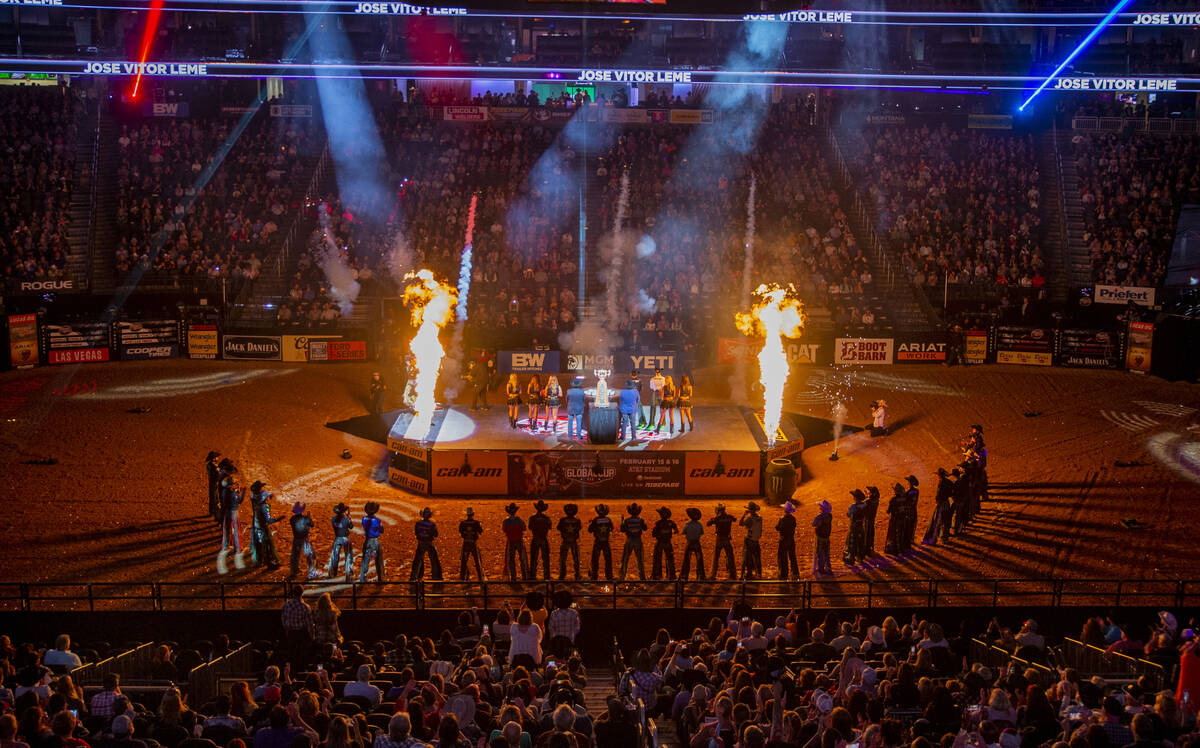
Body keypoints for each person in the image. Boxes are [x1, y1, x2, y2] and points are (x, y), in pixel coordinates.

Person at [250, 481, 282, 570]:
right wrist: (278, 519)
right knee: (268, 545)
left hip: (256, 525)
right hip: (263, 526)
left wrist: (267, 498)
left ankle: (260, 560)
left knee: (259, 544)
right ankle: (271, 562)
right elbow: (269, 519)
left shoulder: (253, 498)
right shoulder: (264, 507)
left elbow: (260, 498)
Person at [281, 586, 313, 666]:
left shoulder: (287, 605)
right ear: (302, 593)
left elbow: (283, 618)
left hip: (291, 632)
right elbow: (309, 624)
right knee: (302, 653)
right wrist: (312, 636)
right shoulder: (305, 607)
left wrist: (287, 630)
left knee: (291, 653)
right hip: (301, 633)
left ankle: (292, 668)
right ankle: (301, 667)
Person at [409, 507, 442, 581]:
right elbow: (436, 534)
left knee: (417, 560)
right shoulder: (432, 524)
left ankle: (415, 576)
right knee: (434, 560)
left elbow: (416, 533)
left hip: (421, 543)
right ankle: (436, 577)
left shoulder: (418, 524)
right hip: (429, 542)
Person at [289, 502, 318, 580]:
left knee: (295, 556)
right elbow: (312, 524)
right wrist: (309, 518)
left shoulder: (292, 519)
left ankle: (294, 571)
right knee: (309, 555)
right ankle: (312, 572)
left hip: (296, 539)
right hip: (304, 539)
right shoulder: (305, 518)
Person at [924, 469, 953, 545]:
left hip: (941, 504)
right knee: (946, 521)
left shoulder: (941, 483)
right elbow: (951, 493)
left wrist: (938, 501)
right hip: (947, 503)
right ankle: (944, 538)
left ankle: (933, 540)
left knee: (937, 522)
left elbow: (938, 494)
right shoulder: (949, 482)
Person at [220, 467, 246, 554]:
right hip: (234, 512)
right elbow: (239, 501)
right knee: (236, 530)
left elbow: (223, 501)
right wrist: (241, 492)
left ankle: (226, 546)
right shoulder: (233, 493)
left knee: (227, 529)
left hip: (227, 512)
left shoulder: (224, 491)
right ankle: (238, 548)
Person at [618, 503, 647, 580]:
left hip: (629, 539)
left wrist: (622, 522)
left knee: (625, 559)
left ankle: (622, 577)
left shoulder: (627, 521)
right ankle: (642, 577)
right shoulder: (641, 520)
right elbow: (645, 528)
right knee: (640, 559)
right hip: (638, 539)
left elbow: (622, 530)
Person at [708, 504, 737, 579]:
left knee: (716, 557)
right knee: (730, 556)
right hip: (727, 538)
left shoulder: (717, 518)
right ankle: (732, 574)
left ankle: (713, 574)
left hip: (719, 538)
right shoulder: (729, 517)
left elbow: (708, 523)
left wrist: (715, 518)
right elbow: (734, 519)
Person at [327, 503, 355, 582]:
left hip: (337, 538)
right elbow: (351, 526)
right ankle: (349, 575)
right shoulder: (346, 520)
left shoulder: (333, 519)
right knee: (348, 556)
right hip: (345, 539)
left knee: (334, 556)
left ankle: (332, 573)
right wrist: (349, 518)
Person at [501, 502, 528, 581]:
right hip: (519, 540)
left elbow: (504, 530)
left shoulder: (506, 521)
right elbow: (524, 528)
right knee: (522, 558)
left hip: (510, 541)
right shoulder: (519, 520)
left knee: (511, 559)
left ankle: (513, 576)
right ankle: (524, 576)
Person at [359, 502, 384, 583]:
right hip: (375, 540)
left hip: (367, 540)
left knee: (365, 560)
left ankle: (363, 579)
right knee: (378, 560)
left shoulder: (364, 519)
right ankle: (381, 578)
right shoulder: (377, 520)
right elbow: (381, 530)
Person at [588, 504, 614, 581]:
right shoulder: (608, 520)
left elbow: (590, 530)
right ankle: (609, 576)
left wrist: (591, 523)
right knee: (608, 559)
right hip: (606, 541)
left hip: (597, 542)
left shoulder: (595, 520)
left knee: (595, 559)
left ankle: (594, 575)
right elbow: (612, 529)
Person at [650, 507, 677, 580]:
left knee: (657, 558)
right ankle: (671, 575)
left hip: (660, 542)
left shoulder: (658, 523)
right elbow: (676, 529)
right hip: (668, 542)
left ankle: (657, 575)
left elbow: (653, 534)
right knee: (670, 559)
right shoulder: (671, 523)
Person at [458, 507, 484, 581]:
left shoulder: (463, 523)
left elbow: (460, 532)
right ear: (473, 514)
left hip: (466, 542)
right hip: (473, 543)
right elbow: (480, 531)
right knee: (477, 560)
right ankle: (480, 577)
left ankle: (463, 577)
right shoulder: (476, 523)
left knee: (464, 560)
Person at [680, 508, 705, 580]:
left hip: (689, 543)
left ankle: (684, 576)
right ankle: (700, 575)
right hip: (697, 542)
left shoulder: (687, 524)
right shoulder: (700, 524)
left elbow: (684, 532)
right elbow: (701, 533)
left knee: (687, 559)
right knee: (699, 560)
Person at [777, 500, 799, 579]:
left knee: (783, 557)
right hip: (791, 539)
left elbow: (778, 527)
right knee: (792, 556)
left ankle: (784, 573)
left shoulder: (782, 519)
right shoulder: (793, 519)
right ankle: (795, 572)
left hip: (783, 539)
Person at [740, 501, 763, 579]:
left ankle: (748, 573)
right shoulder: (760, 518)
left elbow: (741, 523)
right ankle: (759, 573)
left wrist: (744, 515)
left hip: (749, 540)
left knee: (747, 558)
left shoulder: (750, 519)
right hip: (756, 540)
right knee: (757, 558)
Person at [844, 490, 867, 565]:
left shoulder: (853, 506)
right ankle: (860, 557)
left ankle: (851, 557)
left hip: (854, 526)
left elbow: (848, 514)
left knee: (852, 542)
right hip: (861, 525)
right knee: (860, 541)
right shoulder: (864, 505)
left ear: (855, 498)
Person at [884, 483, 907, 555]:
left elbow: (888, 511)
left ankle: (892, 550)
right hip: (902, 518)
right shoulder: (904, 498)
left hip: (894, 519)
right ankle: (900, 548)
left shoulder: (893, 499)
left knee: (892, 533)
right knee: (900, 532)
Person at [813, 501, 833, 574]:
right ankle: (828, 567)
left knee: (820, 552)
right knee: (827, 553)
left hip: (820, 537)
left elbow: (813, 524)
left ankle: (821, 568)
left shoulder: (819, 516)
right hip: (827, 537)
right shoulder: (830, 516)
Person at [565, 376, 586, 442]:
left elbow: (566, 400)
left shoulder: (569, 391)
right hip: (579, 409)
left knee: (570, 423)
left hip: (571, 408)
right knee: (579, 423)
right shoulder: (582, 392)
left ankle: (570, 436)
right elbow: (584, 400)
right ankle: (579, 436)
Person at [903, 475, 919, 552]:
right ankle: (911, 539)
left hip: (908, 511)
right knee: (912, 525)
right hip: (914, 510)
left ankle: (907, 541)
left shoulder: (908, 492)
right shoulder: (916, 491)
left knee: (907, 526)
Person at [863, 485, 880, 556]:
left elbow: (863, 505)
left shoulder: (868, 501)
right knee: (871, 533)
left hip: (867, 519)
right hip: (872, 519)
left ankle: (865, 550)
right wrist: (867, 496)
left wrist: (866, 497)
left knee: (866, 534)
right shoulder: (876, 500)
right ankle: (870, 547)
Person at [206, 450, 222, 520]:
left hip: (211, 482)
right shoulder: (214, 466)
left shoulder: (209, 465)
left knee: (212, 497)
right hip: (215, 483)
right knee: (216, 498)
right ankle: (216, 514)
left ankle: (211, 511)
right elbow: (218, 474)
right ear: (214, 458)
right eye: (216, 457)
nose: (218, 458)